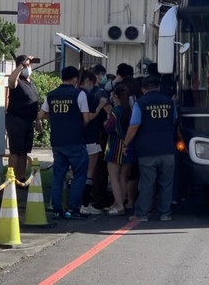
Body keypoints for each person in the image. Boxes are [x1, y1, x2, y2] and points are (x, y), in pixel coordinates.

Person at [37, 66, 101, 220]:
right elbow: (85, 119)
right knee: (80, 174)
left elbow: (41, 114)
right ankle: (72, 209)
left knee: (58, 175)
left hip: (57, 141)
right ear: (75, 79)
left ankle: (57, 209)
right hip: (75, 141)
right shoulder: (79, 94)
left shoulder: (51, 95)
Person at [125, 75, 182, 222]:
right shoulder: (169, 103)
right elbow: (174, 120)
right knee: (166, 183)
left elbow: (134, 125)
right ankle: (165, 213)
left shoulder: (140, 103)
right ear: (158, 87)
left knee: (147, 183)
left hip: (147, 151)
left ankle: (142, 214)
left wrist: (126, 143)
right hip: (167, 149)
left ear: (143, 89)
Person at [6, 55, 40, 182]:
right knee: (15, 151)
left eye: (30, 65)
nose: (29, 67)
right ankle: (10, 179)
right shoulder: (17, 80)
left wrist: (38, 119)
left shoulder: (31, 83)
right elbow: (11, 80)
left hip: (28, 121)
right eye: (27, 65)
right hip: (16, 120)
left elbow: (34, 102)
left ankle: (21, 178)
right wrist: (22, 66)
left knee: (24, 152)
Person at [78, 70, 108, 215]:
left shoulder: (72, 94)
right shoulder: (89, 96)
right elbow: (88, 118)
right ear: (89, 81)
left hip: (74, 139)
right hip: (90, 137)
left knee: (76, 172)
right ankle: (84, 203)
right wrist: (99, 108)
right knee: (89, 172)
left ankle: (74, 202)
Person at [102, 82, 133, 215]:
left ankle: (119, 206)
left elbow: (109, 128)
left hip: (115, 145)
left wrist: (106, 121)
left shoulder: (115, 111)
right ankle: (119, 203)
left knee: (113, 177)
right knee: (123, 177)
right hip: (128, 145)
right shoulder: (130, 110)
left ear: (116, 96)